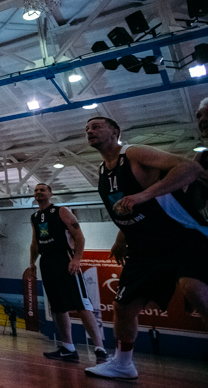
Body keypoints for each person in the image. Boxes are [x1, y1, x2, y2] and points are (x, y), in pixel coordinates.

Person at [84, 116, 207, 380]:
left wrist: (144, 195)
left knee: (195, 290)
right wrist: (121, 239)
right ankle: (123, 365)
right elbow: (127, 208)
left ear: (115, 131)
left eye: (96, 126)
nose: (89, 131)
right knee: (123, 308)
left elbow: (190, 168)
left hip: (183, 236)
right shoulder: (103, 171)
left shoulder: (133, 153)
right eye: (87, 128)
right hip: (145, 248)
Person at [29, 183, 107, 363]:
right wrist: (31, 262)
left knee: (81, 304)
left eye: (42, 190)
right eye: (36, 190)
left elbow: (79, 236)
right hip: (46, 261)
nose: (39, 192)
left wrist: (77, 259)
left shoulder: (61, 211)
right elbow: (34, 243)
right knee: (57, 307)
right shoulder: (34, 217)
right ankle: (68, 348)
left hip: (64, 259)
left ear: (50, 193)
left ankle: (100, 348)